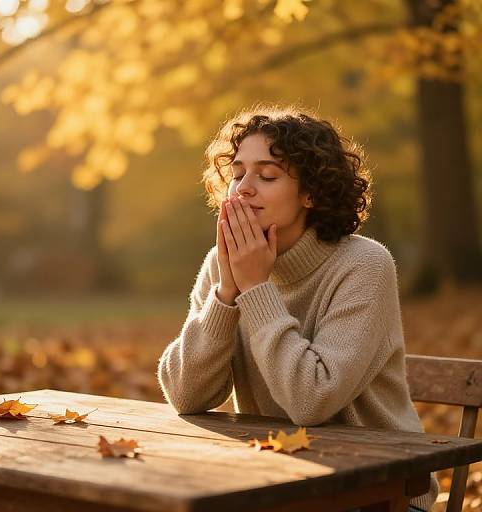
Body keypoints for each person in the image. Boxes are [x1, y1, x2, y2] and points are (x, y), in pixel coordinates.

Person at [157, 104, 438, 512]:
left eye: (267, 175)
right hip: (282, 486)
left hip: (383, 493)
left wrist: (255, 287)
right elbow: (185, 395)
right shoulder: (223, 263)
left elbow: (313, 401)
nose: (243, 188)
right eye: (237, 175)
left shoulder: (363, 265)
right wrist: (225, 294)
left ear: (311, 192)